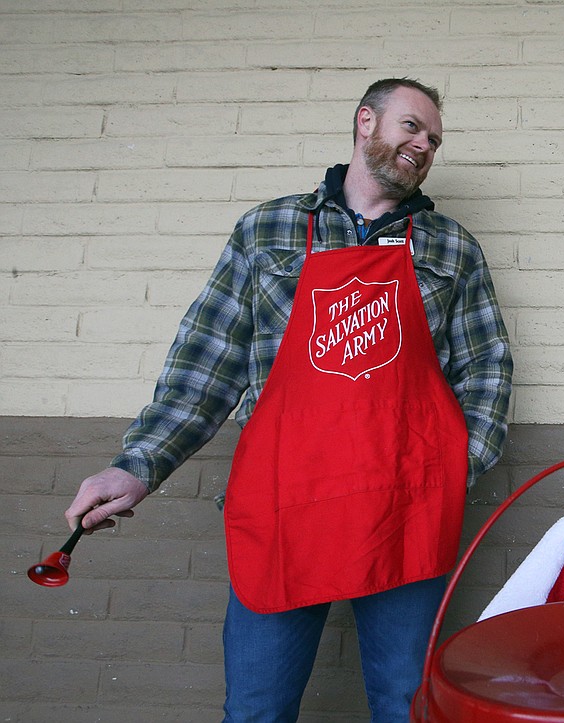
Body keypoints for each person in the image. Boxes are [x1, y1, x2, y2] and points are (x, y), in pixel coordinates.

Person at [64, 78, 513, 721]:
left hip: (405, 507)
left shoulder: (451, 247)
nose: (425, 144)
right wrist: (137, 466)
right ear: (366, 122)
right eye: (412, 126)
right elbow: (205, 364)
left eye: (435, 139)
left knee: (406, 704)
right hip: (284, 506)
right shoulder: (268, 229)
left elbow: (487, 368)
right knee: (257, 709)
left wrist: (452, 467)